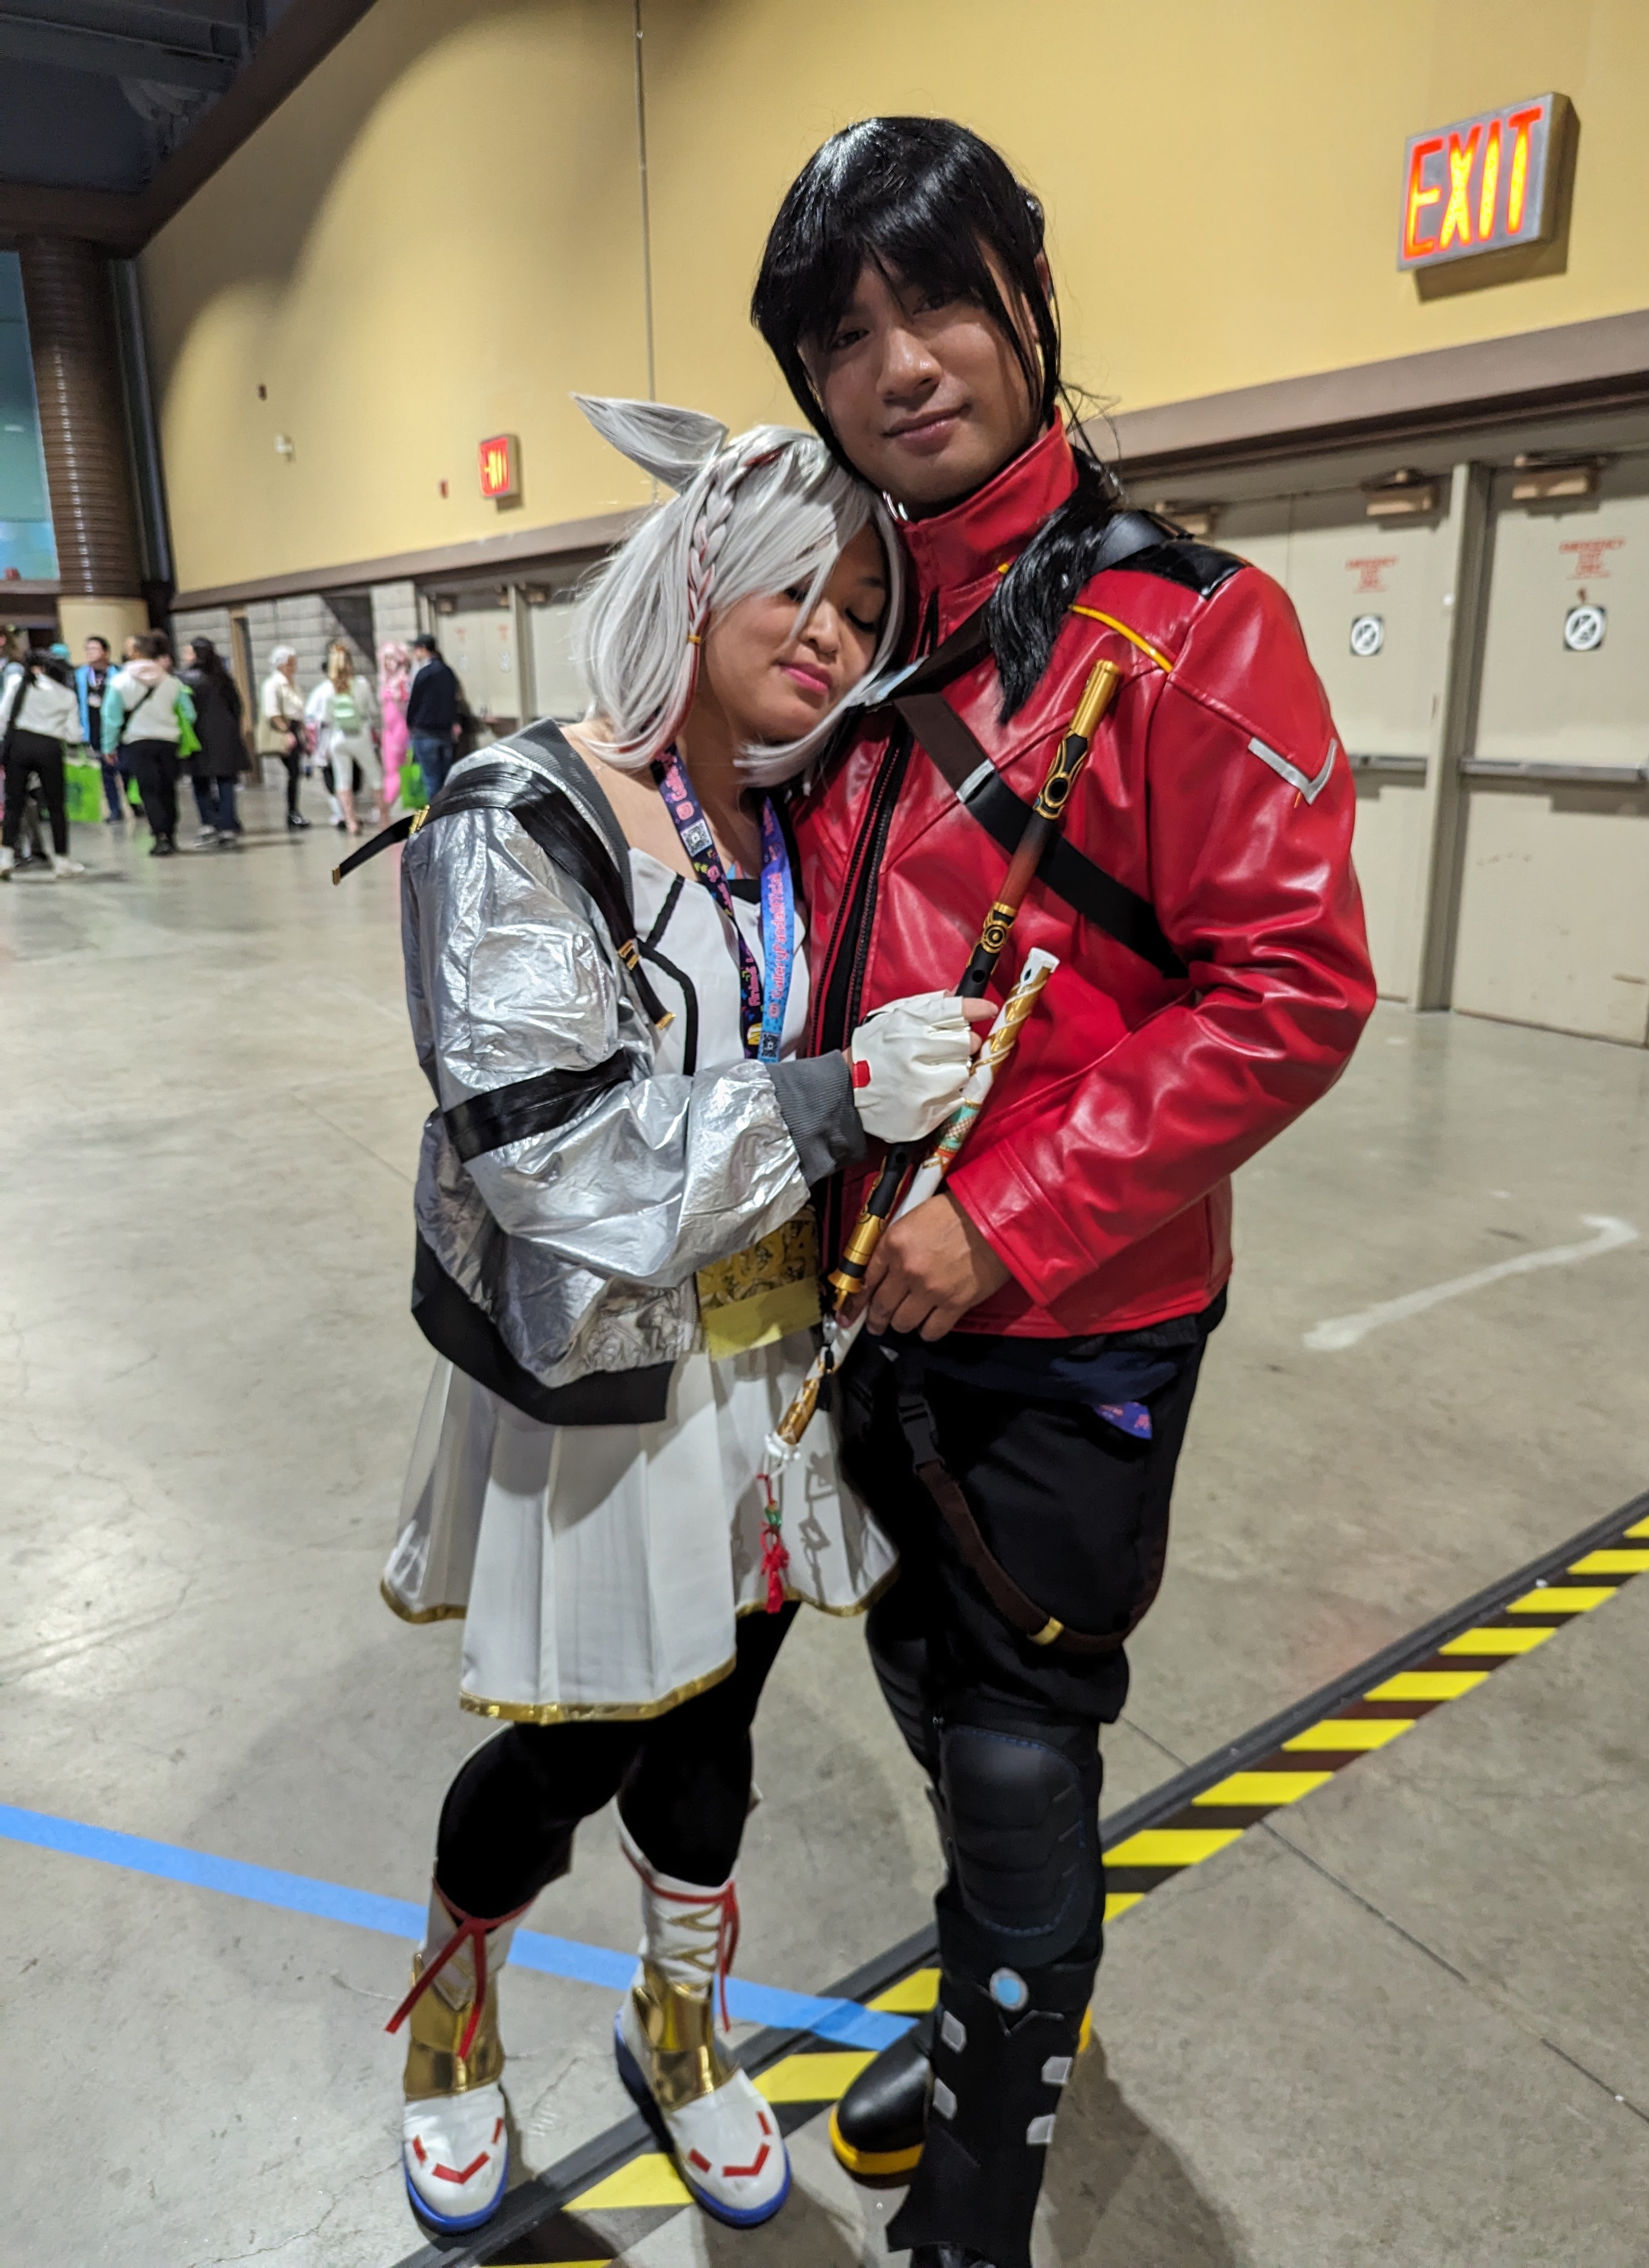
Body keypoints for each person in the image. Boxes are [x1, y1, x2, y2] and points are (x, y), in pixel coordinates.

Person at [751, 119, 1377, 2268]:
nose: (902, 363)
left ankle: (981, 2202)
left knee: (1022, 1745)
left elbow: (1293, 988)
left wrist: (1008, 1219)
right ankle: (1001, 2008)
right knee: (930, 1693)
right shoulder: (843, 641)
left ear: (1027, 297)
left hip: (1069, 1315)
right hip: (867, 1300)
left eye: (940, 300)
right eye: (847, 335)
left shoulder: (1193, 626)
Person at [376, 392, 990, 2238]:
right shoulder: (518, 814)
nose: (831, 637)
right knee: (569, 1748)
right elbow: (551, 1159)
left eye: (865, 610)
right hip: (602, 1387)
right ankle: (448, 2038)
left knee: (717, 1735)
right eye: (798, 589)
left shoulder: (808, 814)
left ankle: (682, 2023)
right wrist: (835, 1099)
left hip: (782, 1373)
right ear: (696, 573)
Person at [107, 629, 195, 857]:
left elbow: (111, 718)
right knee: (168, 789)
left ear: (135, 652)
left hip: (138, 742)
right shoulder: (171, 681)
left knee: (149, 790)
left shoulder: (119, 682)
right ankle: (171, 834)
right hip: (169, 742)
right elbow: (189, 713)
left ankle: (160, 837)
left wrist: (108, 746)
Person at [0, 648, 84, 879]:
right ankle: (62, 861)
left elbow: (3, 715)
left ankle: (5, 858)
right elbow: (74, 735)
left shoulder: (19, 683)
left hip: (19, 744)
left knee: (14, 803)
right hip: (50, 747)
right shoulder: (66, 695)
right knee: (56, 806)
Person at [304, 641, 380, 837]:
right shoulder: (361, 684)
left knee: (342, 780)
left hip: (338, 738)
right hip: (361, 736)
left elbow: (325, 718)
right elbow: (373, 710)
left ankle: (351, 821)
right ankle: (385, 819)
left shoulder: (328, 689)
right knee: (375, 776)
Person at [181, 636, 248, 847]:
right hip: (225, 737)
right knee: (226, 782)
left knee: (201, 782)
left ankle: (209, 824)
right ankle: (228, 827)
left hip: (198, 737)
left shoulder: (186, 679)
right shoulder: (223, 678)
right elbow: (237, 707)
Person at [74, 635, 128, 824]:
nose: (90, 653)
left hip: (119, 728)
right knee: (106, 771)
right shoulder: (81, 675)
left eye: (95, 649)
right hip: (94, 728)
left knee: (125, 769)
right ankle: (115, 809)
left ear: (106, 652)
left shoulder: (119, 673)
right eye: (88, 649)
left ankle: (134, 803)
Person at [257, 644, 310, 831]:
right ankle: (292, 813)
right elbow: (272, 712)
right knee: (293, 771)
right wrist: (286, 732)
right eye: (290, 663)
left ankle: (294, 811)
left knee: (296, 772)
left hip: (294, 726)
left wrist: (303, 730)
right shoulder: (273, 684)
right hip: (283, 728)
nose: (293, 667)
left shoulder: (293, 683)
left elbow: (298, 709)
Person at [403, 632, 460, 798]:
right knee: (445, 778)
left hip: (425, 733)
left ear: (423, 649)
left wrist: (409, 723)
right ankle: (446, 809)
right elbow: (454, 700)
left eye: (416, 649)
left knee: (431, 779)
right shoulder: (448, 672)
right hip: (445, 732)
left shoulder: (424, 673)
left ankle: (434, 812)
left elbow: (414, 702)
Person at [376, 639, 412, 823]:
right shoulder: (387, 681)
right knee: (390, 769)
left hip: (401, 730)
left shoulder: (404, 681)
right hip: (388, 731)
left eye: (392, 659)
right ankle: (388, 807)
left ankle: (389, 805)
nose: (389, 663)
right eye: (386, 659)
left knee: (399, 769)